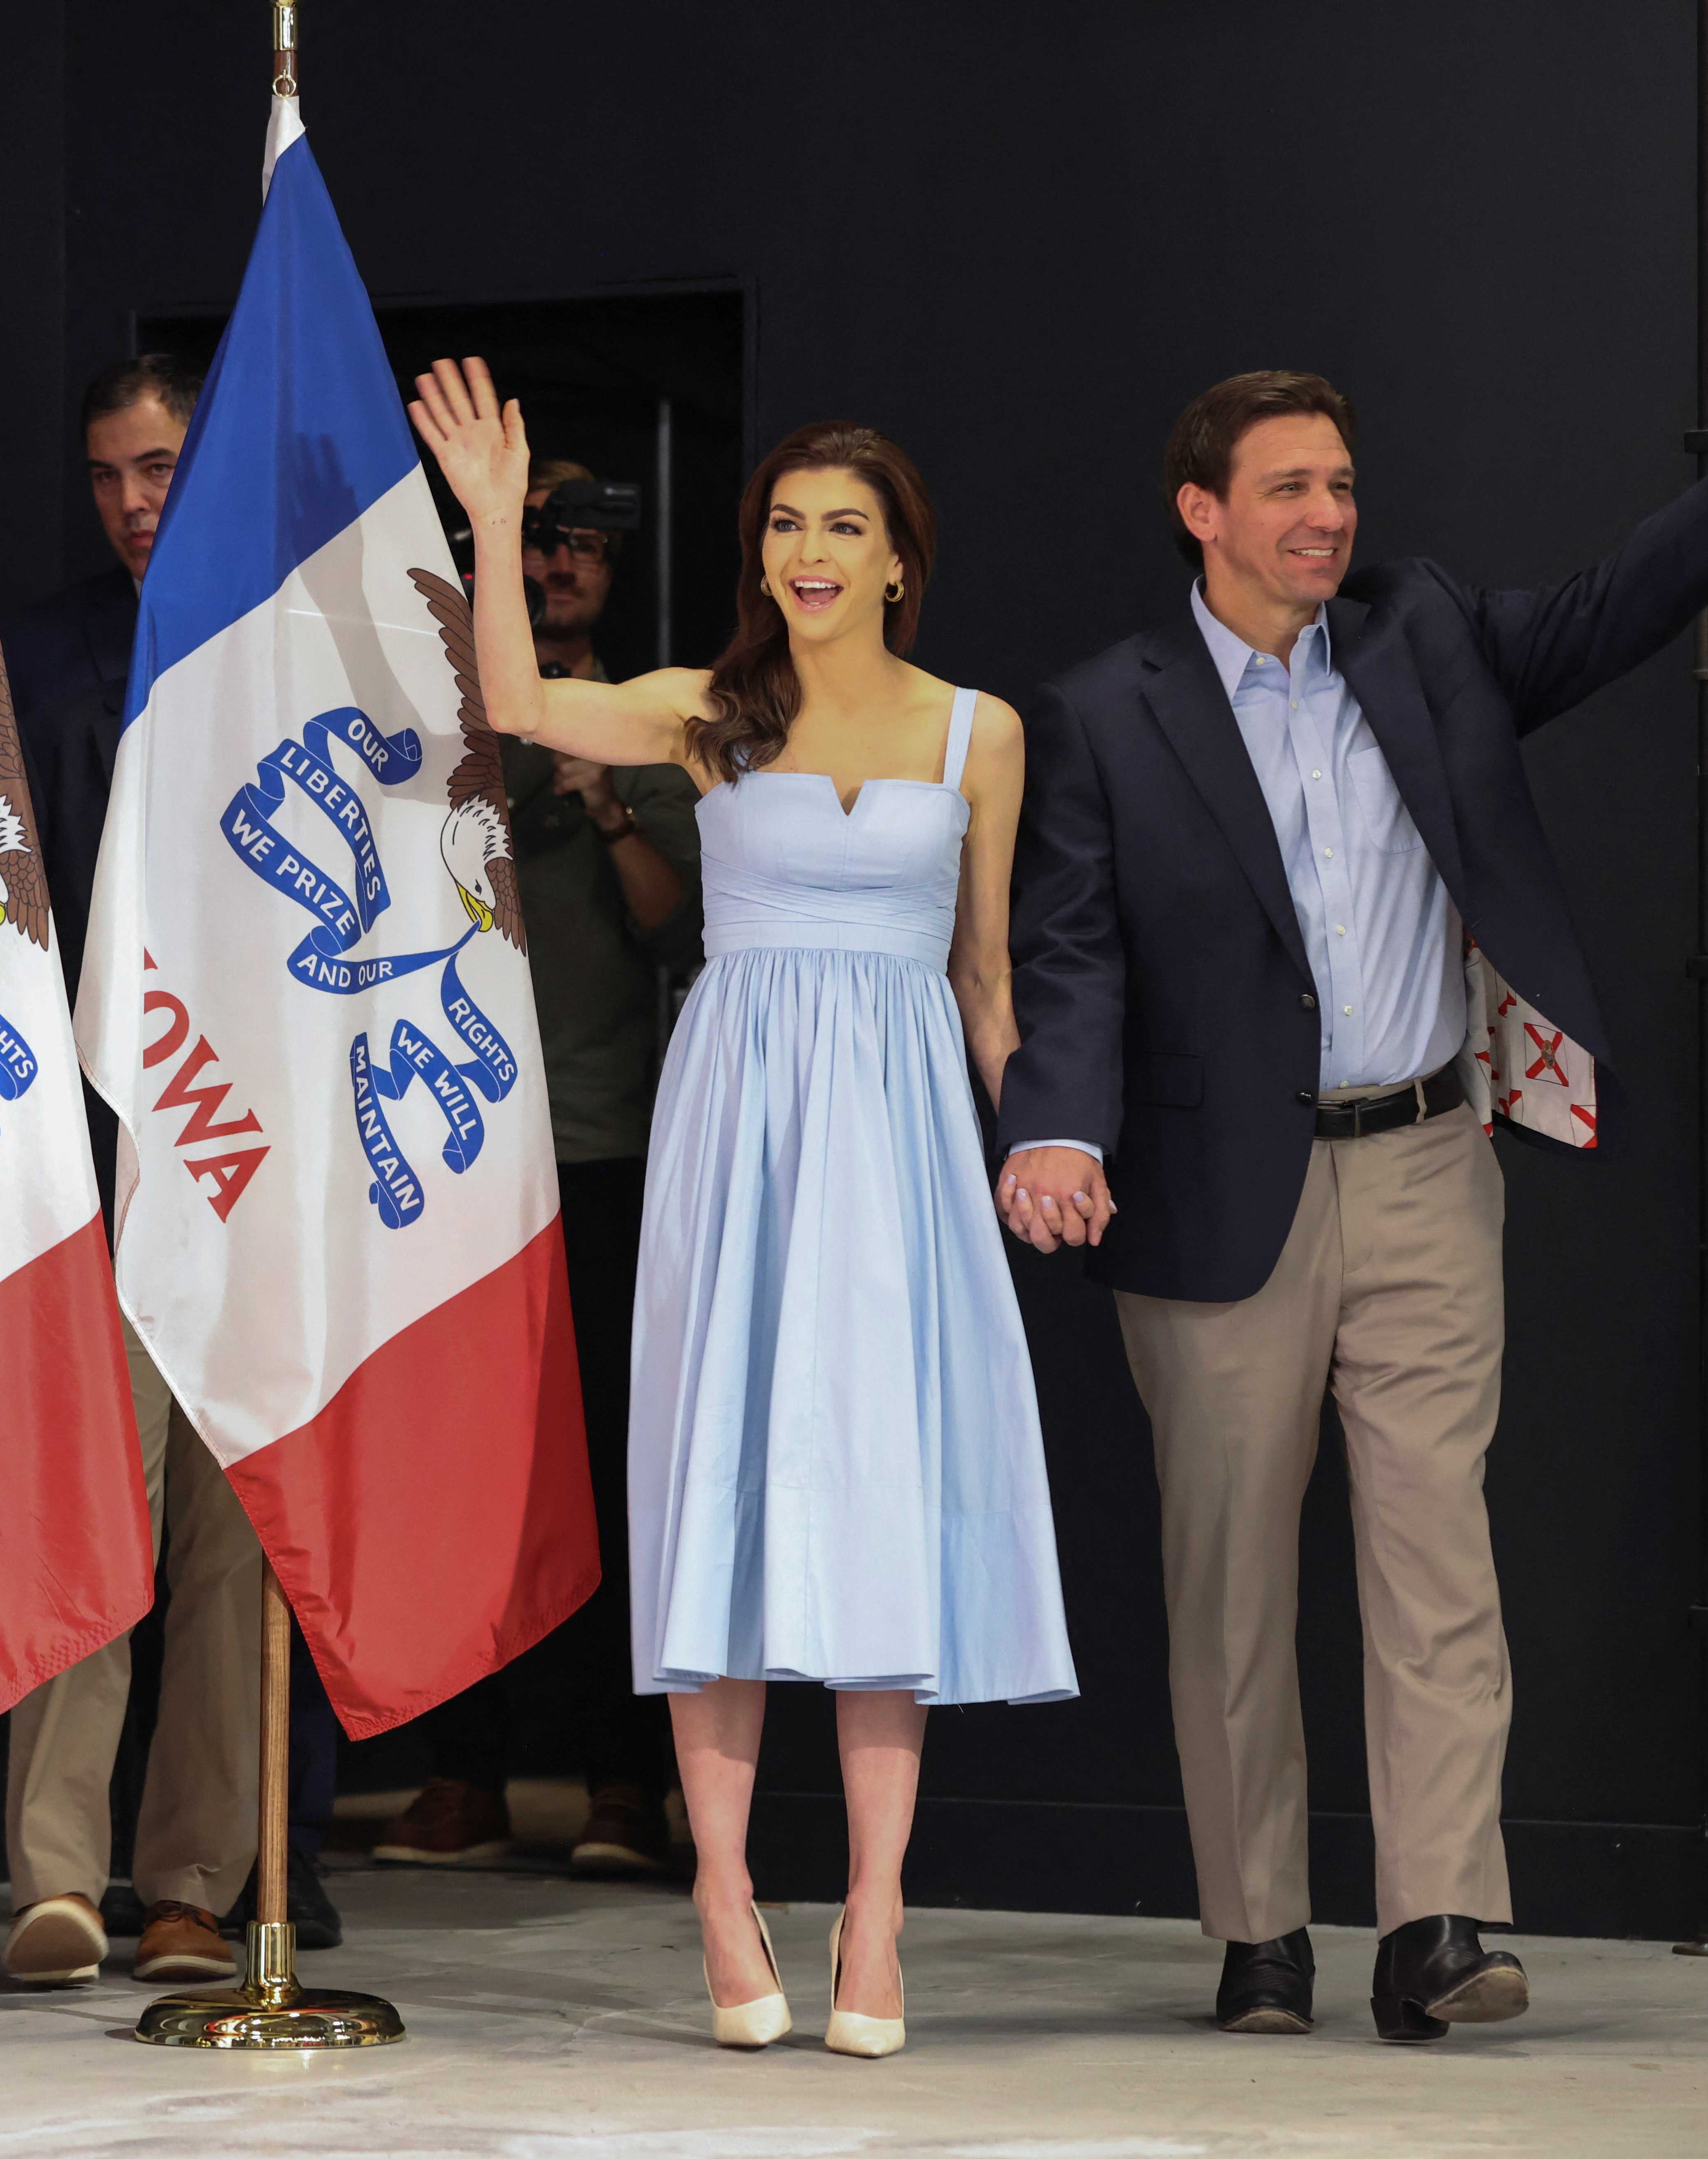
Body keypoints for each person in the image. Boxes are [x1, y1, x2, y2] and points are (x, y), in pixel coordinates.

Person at [997, 276, 1708, 2042]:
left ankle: (1436, 1921)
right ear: (1200, 509)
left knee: (1432, 1547)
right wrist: (1054, 1122)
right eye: (1290, 487)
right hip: (1212, 1193)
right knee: (1225, 1576)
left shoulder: (1423, 632)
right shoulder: (1100, 708)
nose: (1327, 517)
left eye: (1342, 487)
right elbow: (1068, 947)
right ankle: (1255, 1932)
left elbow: (1611, 613)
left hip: (1422, 1167)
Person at [412, 359, 1078, 2060]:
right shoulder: (706, 709)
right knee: (719, 1475)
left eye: (841, 527)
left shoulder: (972, 730)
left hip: (901, 1130)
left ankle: (874, 1906)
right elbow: (511, 699)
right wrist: (491, 522)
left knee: (876, 1499)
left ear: (897, 559)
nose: (810, 551)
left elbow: (987, 980)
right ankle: (719, 1886)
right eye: (785, 523)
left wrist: (1041, 1140)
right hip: (738, 1114)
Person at [0, 353, 339, 1990]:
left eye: (160, 468)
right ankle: (55, 1873)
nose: (135, 500)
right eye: (109, 474)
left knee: (231, 1534)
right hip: (94, 1138)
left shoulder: (304, 641)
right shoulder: (43, 645)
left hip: (259, 1146)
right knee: (87, 1511)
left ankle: (191, 1877)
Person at [373, 457, 702, 1879]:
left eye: (585, 548)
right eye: (538, 545)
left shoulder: (650, 734)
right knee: (463, 1475)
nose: (561, 567)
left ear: (614, 575)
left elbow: (679, 930)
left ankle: (629, 1785)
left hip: (613, 1147)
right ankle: (465, 1773)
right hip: (452, 1151)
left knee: (626, 1475)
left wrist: (615, 808)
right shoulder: (441, 730)